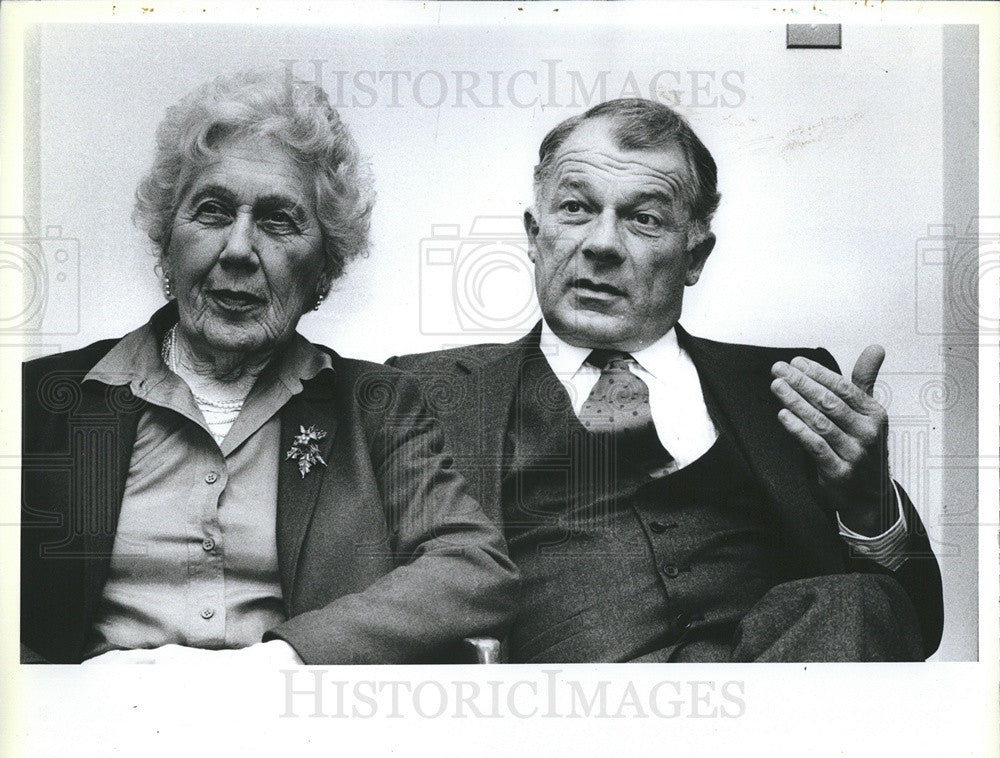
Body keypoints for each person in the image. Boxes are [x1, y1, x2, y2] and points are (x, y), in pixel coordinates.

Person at [390, 98, 944, 662]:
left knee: (854, 603)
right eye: (577, 209)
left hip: (782, 703)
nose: (602, 244)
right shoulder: (426, 393)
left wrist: (867, 503)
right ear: (535, 235)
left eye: (644, 218)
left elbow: (915, 620)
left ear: (694, 257)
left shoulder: (788, 388)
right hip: (577, 725)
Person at [20, 70, 518, 665]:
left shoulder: (378, 405)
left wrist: (284, 660)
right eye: (211, 212)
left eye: (279, 220)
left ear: (323, 268)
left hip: (295, 737)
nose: (237, 250)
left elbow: (474, 567)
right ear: (166, 241)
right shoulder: (41, 399)